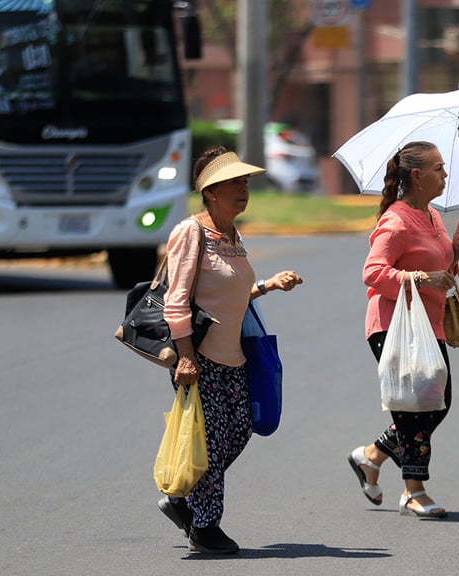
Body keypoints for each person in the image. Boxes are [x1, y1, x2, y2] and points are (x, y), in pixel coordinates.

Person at [157, 145, 304, 554]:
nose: (243, 189)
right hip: (199, 359)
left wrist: (268, 285)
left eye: (245, 182)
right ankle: (205, 527)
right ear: (209, 191)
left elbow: (230, 296)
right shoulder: (192, 232)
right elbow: (176, 299)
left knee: (238, 432)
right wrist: (186, 356)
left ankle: (183, 498)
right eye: (234, 183)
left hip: (234, 358)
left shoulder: (233, 236)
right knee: (211, 440)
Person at [346, 141, 459, 519]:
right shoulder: (396, 220)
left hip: (428, 325)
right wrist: (423, 277)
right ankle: (413, 491)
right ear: (417, 177)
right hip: (394, 325)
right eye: (438, 169)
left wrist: (457, 250)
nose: (445, 175)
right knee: (414, 410)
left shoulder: (433, 217)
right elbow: (372, 273)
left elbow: (442, 279)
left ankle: (371, 456)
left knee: (438, 403)